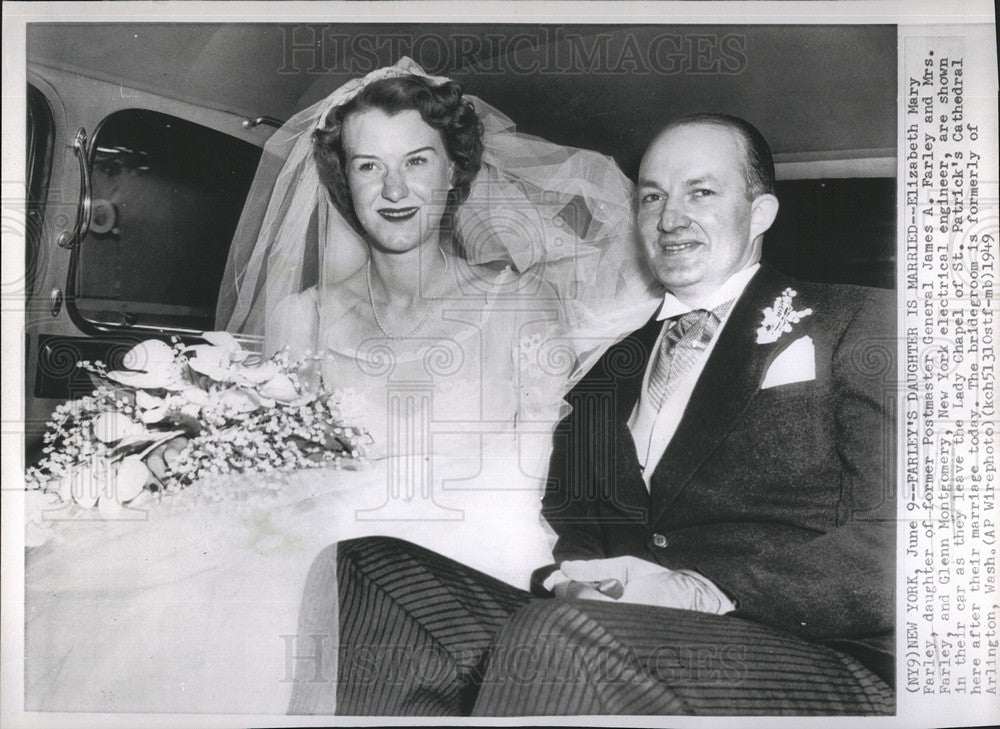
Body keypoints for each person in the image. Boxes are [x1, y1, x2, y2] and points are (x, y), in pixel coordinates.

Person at [24, 59, 658, 714]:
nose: (393, 188)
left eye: (416, 161)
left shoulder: (522, 305)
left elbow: (533, 467)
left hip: (470, 565)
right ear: (343, 181)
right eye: (367, 166)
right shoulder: (303, 313)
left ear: (454, 170)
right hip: (309, 547)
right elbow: (291, 456)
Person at [316, 113, 896, 716]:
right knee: (374, 571)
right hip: (626, 631)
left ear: (760, 214)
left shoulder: (858, 321)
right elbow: (574, 523)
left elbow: (914, 540)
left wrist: (706, 592)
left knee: (560, 636)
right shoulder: (606, 367)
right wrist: (571, 579)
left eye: (701, 191)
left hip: (814, 649)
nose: (670, 219)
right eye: (652, 197)